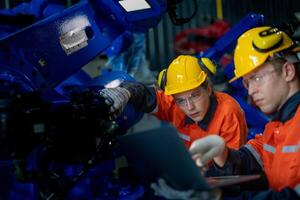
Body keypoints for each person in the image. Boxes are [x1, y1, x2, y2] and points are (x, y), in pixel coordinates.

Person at [182, 26, 300, 199]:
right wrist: (223, 155)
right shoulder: (275, 128)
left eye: (256, 78)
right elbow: (254, 162)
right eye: (246, 82)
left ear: (288, 71)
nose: (251, 91)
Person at [99, 55, 247, 150]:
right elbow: (146, 95)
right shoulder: (175, 105)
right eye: (181, 100)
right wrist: (125, 92)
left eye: (195, 96)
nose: (189, 107)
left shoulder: (228, 112)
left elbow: (231, 169)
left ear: (208, 89)